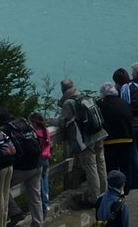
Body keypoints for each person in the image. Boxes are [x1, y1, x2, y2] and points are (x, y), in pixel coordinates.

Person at [55, 78, 108, 207]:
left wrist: (51, 122)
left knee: (91, 166)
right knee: (101, 163)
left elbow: (63, 122)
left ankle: (94, 199)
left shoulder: (69, 103)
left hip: (87, 139)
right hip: (99, 133)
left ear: (63, 91)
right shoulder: (86, 96)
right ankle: (104, 193)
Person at [0, 108, 43, 227]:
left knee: (1, 188)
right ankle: (38, 223)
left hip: (22, 168)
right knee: (35, 197)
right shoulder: (21, 122)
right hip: (37, 163)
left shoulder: (3, 130)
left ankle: (15, 212)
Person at [98, 82, 135, 193]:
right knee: (125, 166)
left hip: (110, 140)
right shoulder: (125, 103)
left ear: (104, 94)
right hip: (127, 138)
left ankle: (114, 189)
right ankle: (126, 188)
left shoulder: (102, 106)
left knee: (111, 166)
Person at [112, 68, 138, 189]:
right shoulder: (136, 86)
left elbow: (126, 108)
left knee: (132, 155)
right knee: (134, 153)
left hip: (135, 125)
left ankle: (134, 182)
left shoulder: (125, 89)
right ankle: (136, 181)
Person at [29, 111, 52, 214]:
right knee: (45, 179)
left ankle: (43, 204)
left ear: (34, 122)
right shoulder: (46, 131)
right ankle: (46, 202)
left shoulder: (35, 133)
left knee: (40, 183)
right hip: (46, 158)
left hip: (39, 159)